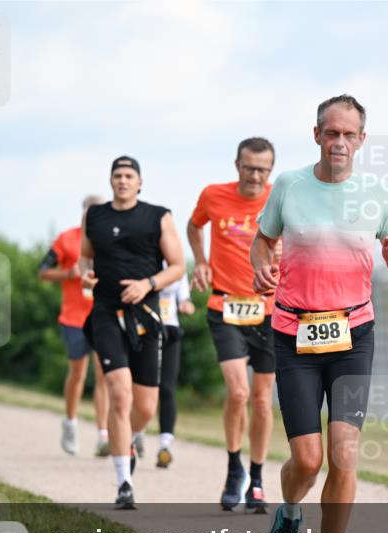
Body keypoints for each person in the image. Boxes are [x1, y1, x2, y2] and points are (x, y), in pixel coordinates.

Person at [252, 96, 388, 533]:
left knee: (343, 453)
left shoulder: (377, 194)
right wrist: (261, 265)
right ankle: (289, 515)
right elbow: (263, 239)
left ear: (362, 139)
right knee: (307, 458)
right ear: (316, 135)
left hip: (353, 334)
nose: (339, 142)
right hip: (294, 332)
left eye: (349, 134)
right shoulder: (289, 187)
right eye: (331, 132)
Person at [81, 156, 185, 509]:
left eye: (129, 176)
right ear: (110, 181)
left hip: (145, 315)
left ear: (139, 182)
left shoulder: (158, 215)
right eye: (117, 176)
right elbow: (85, 259)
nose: (122, 181)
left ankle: (131, 438)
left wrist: (147, 284)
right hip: (106, 313)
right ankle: (124, 482)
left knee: (144, 406)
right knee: (119, 393)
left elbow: (178, 267)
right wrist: (85, 275)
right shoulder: (94, 216)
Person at [188, 137, 278, 513]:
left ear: (270, 170)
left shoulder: (280, 199)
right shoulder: (214, 195)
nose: (255, 175)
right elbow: (194, 226)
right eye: (249, 167)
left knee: (260, 399)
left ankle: (257, 478)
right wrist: (201, 261)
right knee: (238, 394)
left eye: (263, 169)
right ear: (237, 165)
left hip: (270, 310)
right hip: (225, 305)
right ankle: (233, 469)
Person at [39, 195, 111, 456]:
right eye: (89, 211)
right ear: (82, 212)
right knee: (78, 373)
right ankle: (70, 422)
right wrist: (68, 274)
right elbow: (42, 270)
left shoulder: (110, 239)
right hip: (73, 317)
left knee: (104, 376)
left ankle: (103, 434)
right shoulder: (67, 239)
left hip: (103, 316)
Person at [131, 261, 194, 469]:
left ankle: (165, 446)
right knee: (142, 387)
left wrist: (186, 303)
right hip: (144, 329)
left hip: (169, 330)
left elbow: (183, 295)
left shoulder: (176, 264)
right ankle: (135, 433)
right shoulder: (144, 256)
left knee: (167, 388)